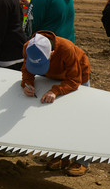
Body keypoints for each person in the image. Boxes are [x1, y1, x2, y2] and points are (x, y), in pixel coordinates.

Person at [21, 32, 92, 176]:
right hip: (52, 77)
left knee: (79, 119)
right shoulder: (29, 47)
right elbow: (26, 69)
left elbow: (74, 80)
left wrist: (56, 91)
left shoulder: (66, 49)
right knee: (57, 119)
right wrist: (27, 83)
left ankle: (83, 161)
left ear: (52, 52)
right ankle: (61, 157)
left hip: (77, 77)